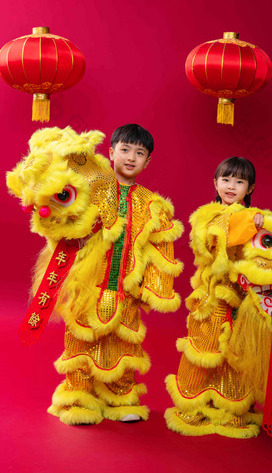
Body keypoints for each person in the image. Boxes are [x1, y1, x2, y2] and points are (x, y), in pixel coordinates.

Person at [43, 124, 184, 425]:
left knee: (124, 341)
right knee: (81, 337)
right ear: (111, 152)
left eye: (139, 153)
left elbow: (160, 247)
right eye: (125, 150)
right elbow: (66, 215)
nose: (131, 157)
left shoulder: (152, 203)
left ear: (148, 161)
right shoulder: (92, 186)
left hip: (126, 285)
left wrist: (153, 286)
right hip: (88, 280)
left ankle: (120, 397)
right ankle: (78, 398)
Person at [165, 156, 264, 438]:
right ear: (215, 183)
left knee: (239, 351)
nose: (231, 186)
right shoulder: (205, 215)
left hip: (244, 296)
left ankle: (233, 408)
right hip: (211, 293)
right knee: (204, 347)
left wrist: (260, 226)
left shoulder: (259, 218)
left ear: (250, 187)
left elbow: (262, 256)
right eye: (226, 179)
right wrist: (247, 222)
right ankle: (193, 404)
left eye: (239, 181)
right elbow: (208, 246)